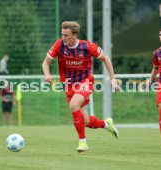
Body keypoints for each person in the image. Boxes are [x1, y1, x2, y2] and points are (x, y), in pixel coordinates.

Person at [42, 21, 119, 152]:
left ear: (74, 35)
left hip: (85, 81)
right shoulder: (59, 45)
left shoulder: (87, 46)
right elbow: (46, 62)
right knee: (86, 122)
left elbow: (105, 57)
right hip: (68, 85)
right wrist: (47, 74)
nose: (63, 38)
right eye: (62, 34)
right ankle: (107, 124)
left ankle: (83, 143)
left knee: (73, 105)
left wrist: (113, 79)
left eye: (66, 35)